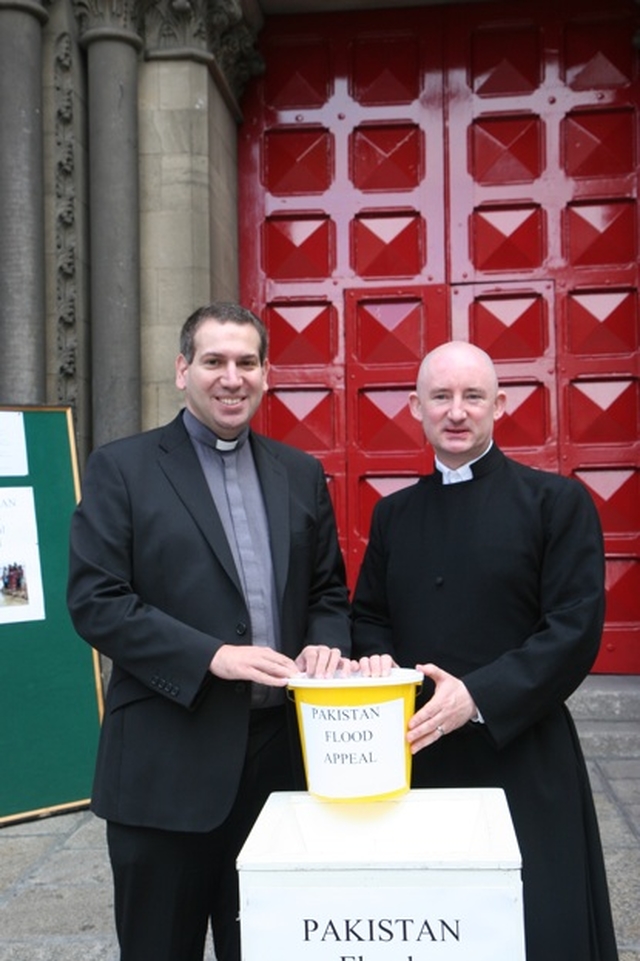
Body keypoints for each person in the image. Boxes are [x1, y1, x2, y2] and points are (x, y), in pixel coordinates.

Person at [67, 302, 352, 961]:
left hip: (280, 765)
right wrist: (212, 655)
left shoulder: (299, 472)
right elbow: (96, 600)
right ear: (181, 370)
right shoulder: (122, 468)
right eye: (215, 361)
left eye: (247, 362)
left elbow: (327, 590)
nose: (232, 377)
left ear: (266, 373)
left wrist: (326, 640)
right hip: (164, 765)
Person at [351, 341, 618, 961]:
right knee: (431, 930)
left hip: (523, 752)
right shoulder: (393, 515)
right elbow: (368, 616)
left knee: (535, 927)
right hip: (417, 756)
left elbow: (573, 628)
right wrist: (381, 667)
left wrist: (476, 695)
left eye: (472, 396)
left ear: (499, 404)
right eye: (440, 397)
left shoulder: (556, 503)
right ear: (415, 408)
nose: (456, 411)